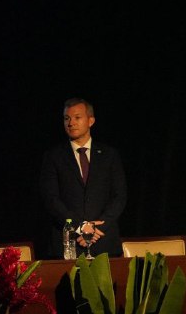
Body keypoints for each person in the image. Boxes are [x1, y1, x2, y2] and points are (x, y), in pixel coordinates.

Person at [40, 98, 127, 258]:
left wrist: (97, 227)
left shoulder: (109, 155)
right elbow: (51, 199)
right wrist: (80, 227)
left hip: (103, 241)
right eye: (67, 118)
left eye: (77, 117)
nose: (71, 123)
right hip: (69, 243)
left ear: (90, 121)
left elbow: (119, 196)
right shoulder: (53, 156)